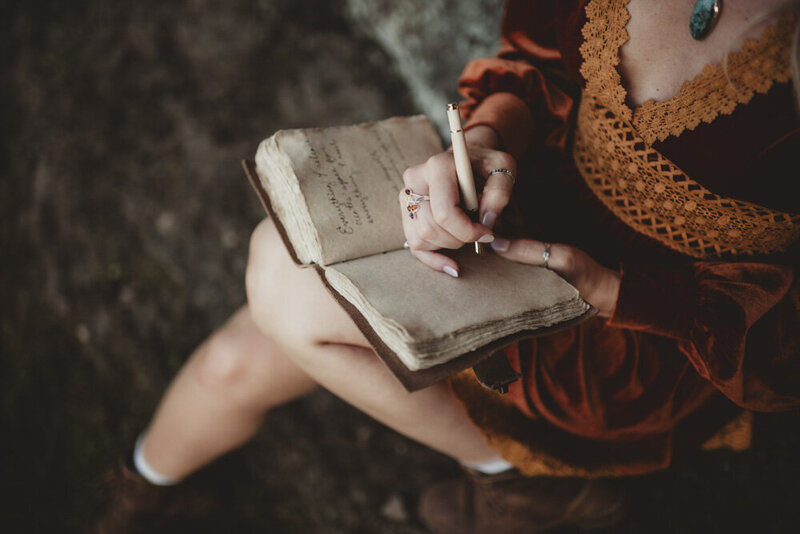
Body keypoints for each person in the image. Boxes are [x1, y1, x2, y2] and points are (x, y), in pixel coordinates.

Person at [95, 1, 800, 532]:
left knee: (279, 283)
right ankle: (142, 495)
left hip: (629, 346)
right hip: (512, 220)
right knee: (234, 361)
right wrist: (490, 137)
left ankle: (526, 481)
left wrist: (614, 292)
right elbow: (541, 69)